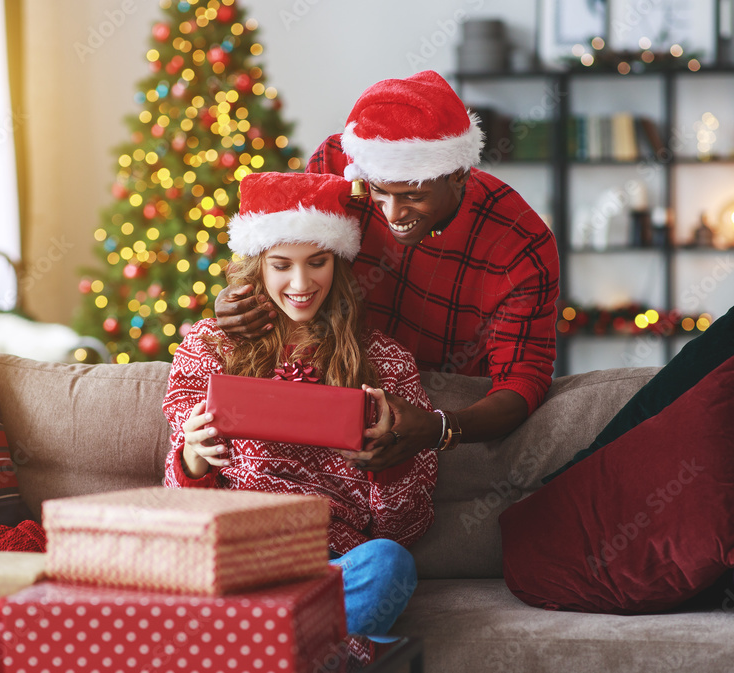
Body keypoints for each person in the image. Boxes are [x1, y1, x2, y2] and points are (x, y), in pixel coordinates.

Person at [215, 71, 560, 470]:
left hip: (447, 404)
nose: (393, 214)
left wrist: (438, 428)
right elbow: (284, 256)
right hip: (336, 378)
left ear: (459, 174)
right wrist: (236, 297)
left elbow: (522, 383)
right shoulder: (339, 167)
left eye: (413, 195)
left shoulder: (521, 243)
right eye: (379, 192)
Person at [162, 171, 437, 636]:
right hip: (235, 555)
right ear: (258, 265)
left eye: (317, 262)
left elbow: (404, 529)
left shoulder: (387, 362)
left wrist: (391, 461)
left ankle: (257, 639)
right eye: (281, 264)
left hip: (333, 563)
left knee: (389, 564)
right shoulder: (209, 348)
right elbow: (175, 508)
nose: (301, 282)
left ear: (339, 262)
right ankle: (322, 641)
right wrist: (192, 457)